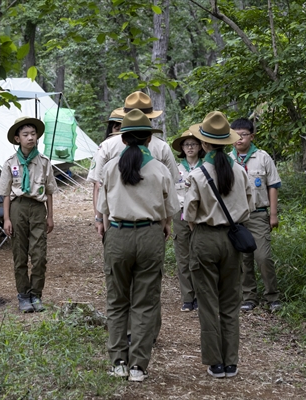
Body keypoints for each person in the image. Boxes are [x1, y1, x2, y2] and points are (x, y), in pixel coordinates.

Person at [96, 109, 179, 382]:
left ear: (124, 138)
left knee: (117, 301)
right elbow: (171, 209)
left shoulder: (110, 168)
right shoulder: (160, 169)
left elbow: (103, 209)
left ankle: (117, 361)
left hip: (118, 235)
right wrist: (164, 224)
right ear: (146, 139)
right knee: (145, 302)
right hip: (150, 236)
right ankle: (138, 366)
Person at [183, 111, 253, 379]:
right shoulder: (240, 170)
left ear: (204, 144)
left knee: (209, 303)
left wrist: (200, 230)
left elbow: (189, 212)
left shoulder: (198, 173)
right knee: (230, 302)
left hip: (205, 237)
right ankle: (232, 362)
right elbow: (249, 205)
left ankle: (216, 363)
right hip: (233, 238)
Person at [0, 116, 57, 313]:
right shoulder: (9, 163)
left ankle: (36, 294)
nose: (31, 138)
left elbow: (49, 191)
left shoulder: (44, 162)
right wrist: (6, 219)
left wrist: (50, 216)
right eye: (26, 135)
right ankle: (23, 295)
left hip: (38, 208)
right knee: (19, 254)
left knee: (39, 255)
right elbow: (6, 193)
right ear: (17, 139)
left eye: (33, 134)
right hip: (18, 208)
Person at [229, 118, 282, 312]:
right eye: (235, 135)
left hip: (258, 214)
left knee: (263, 257)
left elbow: (273, 185)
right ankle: (249, 296)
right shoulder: (228, 159)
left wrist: (273, 215)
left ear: (252, 136)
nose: (239, 139)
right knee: (244, 259)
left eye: (243, 135)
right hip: (237, 218)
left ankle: (272, 296)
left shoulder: (262, 157)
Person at [170, 130, 205, 312]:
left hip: (201, 214)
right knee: (183, 255)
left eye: (193, 144)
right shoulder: (175, 169)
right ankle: (187, 297)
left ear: (200, 147)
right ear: (182, 148)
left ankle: (200, 295)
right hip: (180, 213)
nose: (190, 148)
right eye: (186, 145)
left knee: (199, 254)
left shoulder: (205, 166)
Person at [88, 110, 123, 218]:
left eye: (122, 129)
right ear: (110, 129)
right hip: (108, 206)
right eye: (117, 129)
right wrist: (98, 217)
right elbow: (97, 185)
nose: (119, 134)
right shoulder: (104, 147)